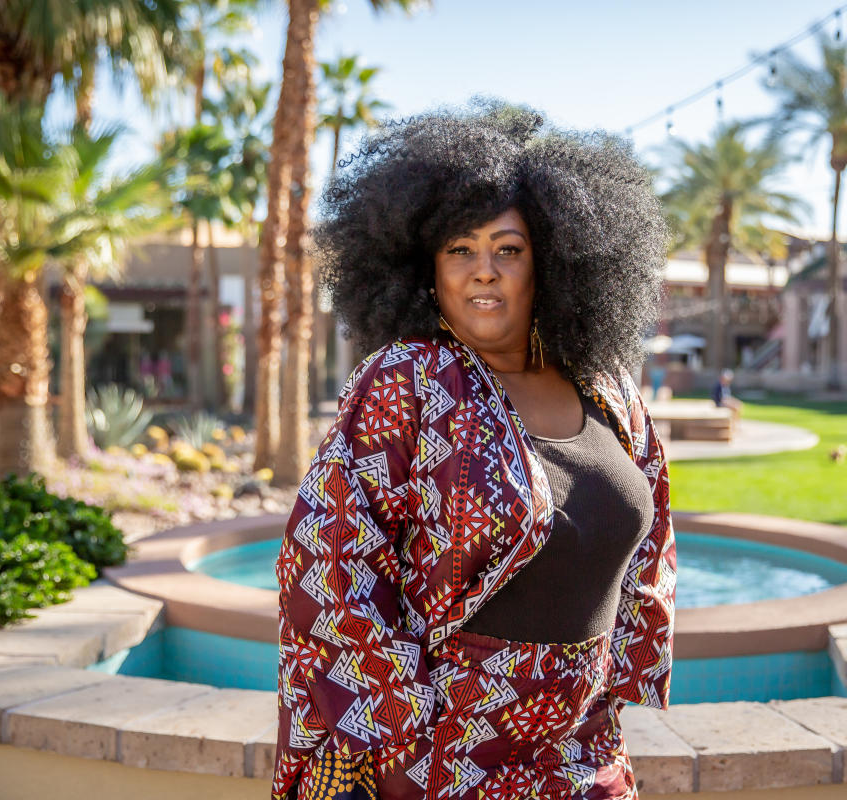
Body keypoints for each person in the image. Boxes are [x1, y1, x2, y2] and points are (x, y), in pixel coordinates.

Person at [273, 102, 676, 800]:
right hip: (451, 754)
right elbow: (327, 562)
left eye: (508, 249)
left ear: (550, 263)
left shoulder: (608, 389)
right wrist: (408, 724)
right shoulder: (407, 382)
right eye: (460, 249)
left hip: (585, 746)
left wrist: (615, 684)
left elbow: (651, 537)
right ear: (426, 270)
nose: (483, 270)